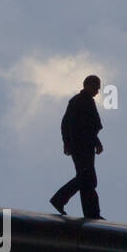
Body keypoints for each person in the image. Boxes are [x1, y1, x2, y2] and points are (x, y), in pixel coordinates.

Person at [50, 75, 105, 219]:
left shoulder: (78, 101)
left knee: (87, 179)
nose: (97, 91)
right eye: (96, 87)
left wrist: (67, 143)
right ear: (88, 85)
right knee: (87, 178)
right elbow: (85, 127)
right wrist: (95, 142)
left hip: (81, 145)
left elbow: (68, 124)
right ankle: (59, 199)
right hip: (82, 146)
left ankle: (91, 214)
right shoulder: (83, 101)